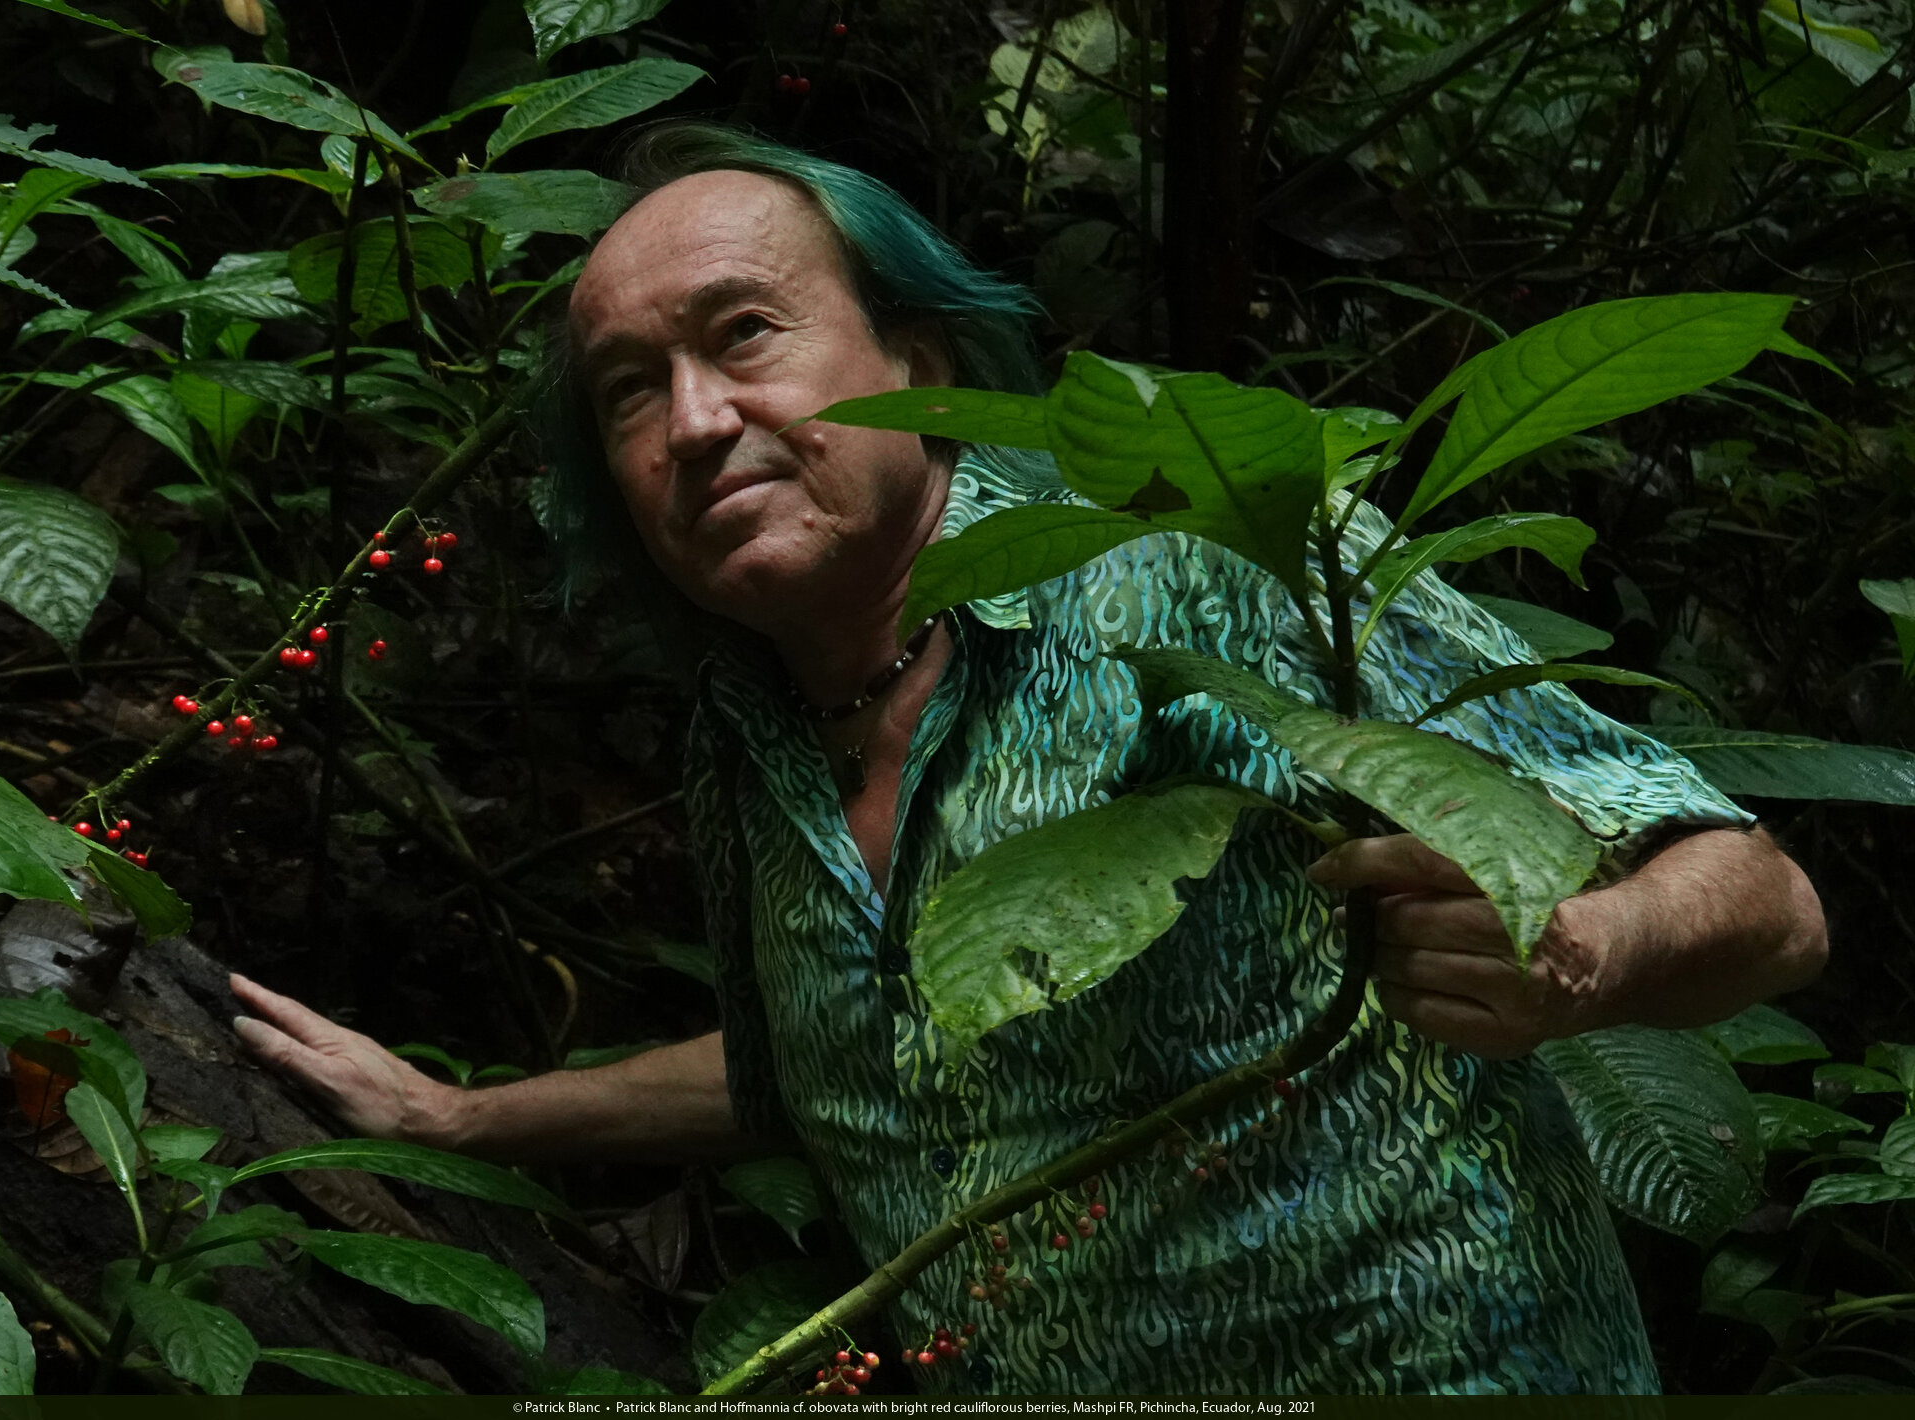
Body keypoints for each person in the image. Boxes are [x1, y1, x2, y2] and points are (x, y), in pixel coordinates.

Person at [231, 123, 1828, 1394]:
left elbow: (1765, 897)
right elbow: (832, 1079)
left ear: (919, 366)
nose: (697, 420)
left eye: (745, 335)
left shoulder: (1203, 558)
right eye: (630, 393)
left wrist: (1586, 951)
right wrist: (462, 1118)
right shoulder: (745, 732)